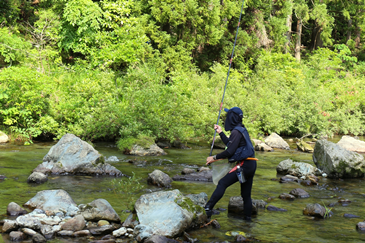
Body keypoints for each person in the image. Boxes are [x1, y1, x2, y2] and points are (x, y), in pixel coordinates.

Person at [205, 107, 257, 220]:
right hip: (251, 165)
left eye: (228, 115)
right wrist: (220, 132)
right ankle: (247, 221)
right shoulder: (241, 129)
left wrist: (213, 158)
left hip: (244, 165)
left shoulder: (236, 131)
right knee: (246, 195)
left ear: (232, 118)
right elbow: (230, 144)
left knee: (222, 183)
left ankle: (207, 208)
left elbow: (229, 151)